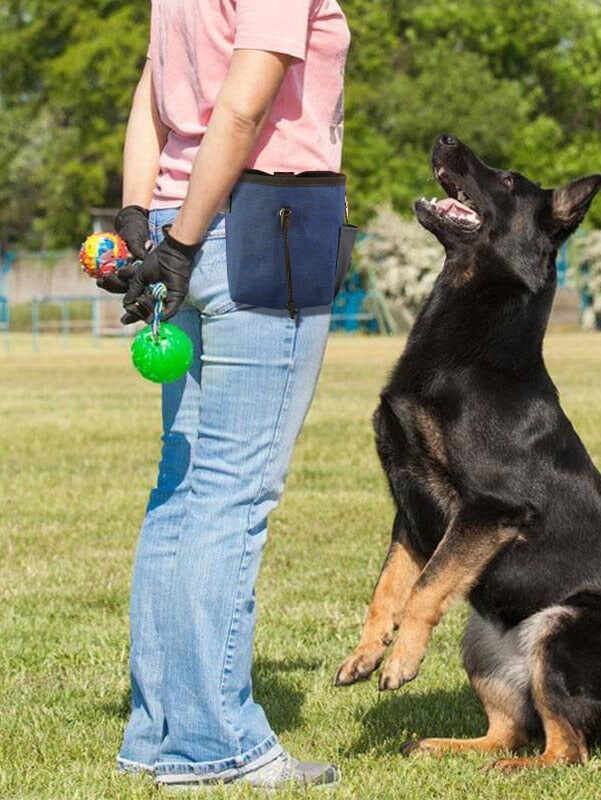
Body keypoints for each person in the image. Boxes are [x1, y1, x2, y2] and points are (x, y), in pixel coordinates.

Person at [99, 0, 350, 791]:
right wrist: (177, 244)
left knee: (183, 486)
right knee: (232, 492)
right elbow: (243, 104)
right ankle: (216, 744)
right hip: (259, 221)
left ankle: (162, 733)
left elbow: (152, 90)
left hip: (185, 214)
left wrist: (141, 216)